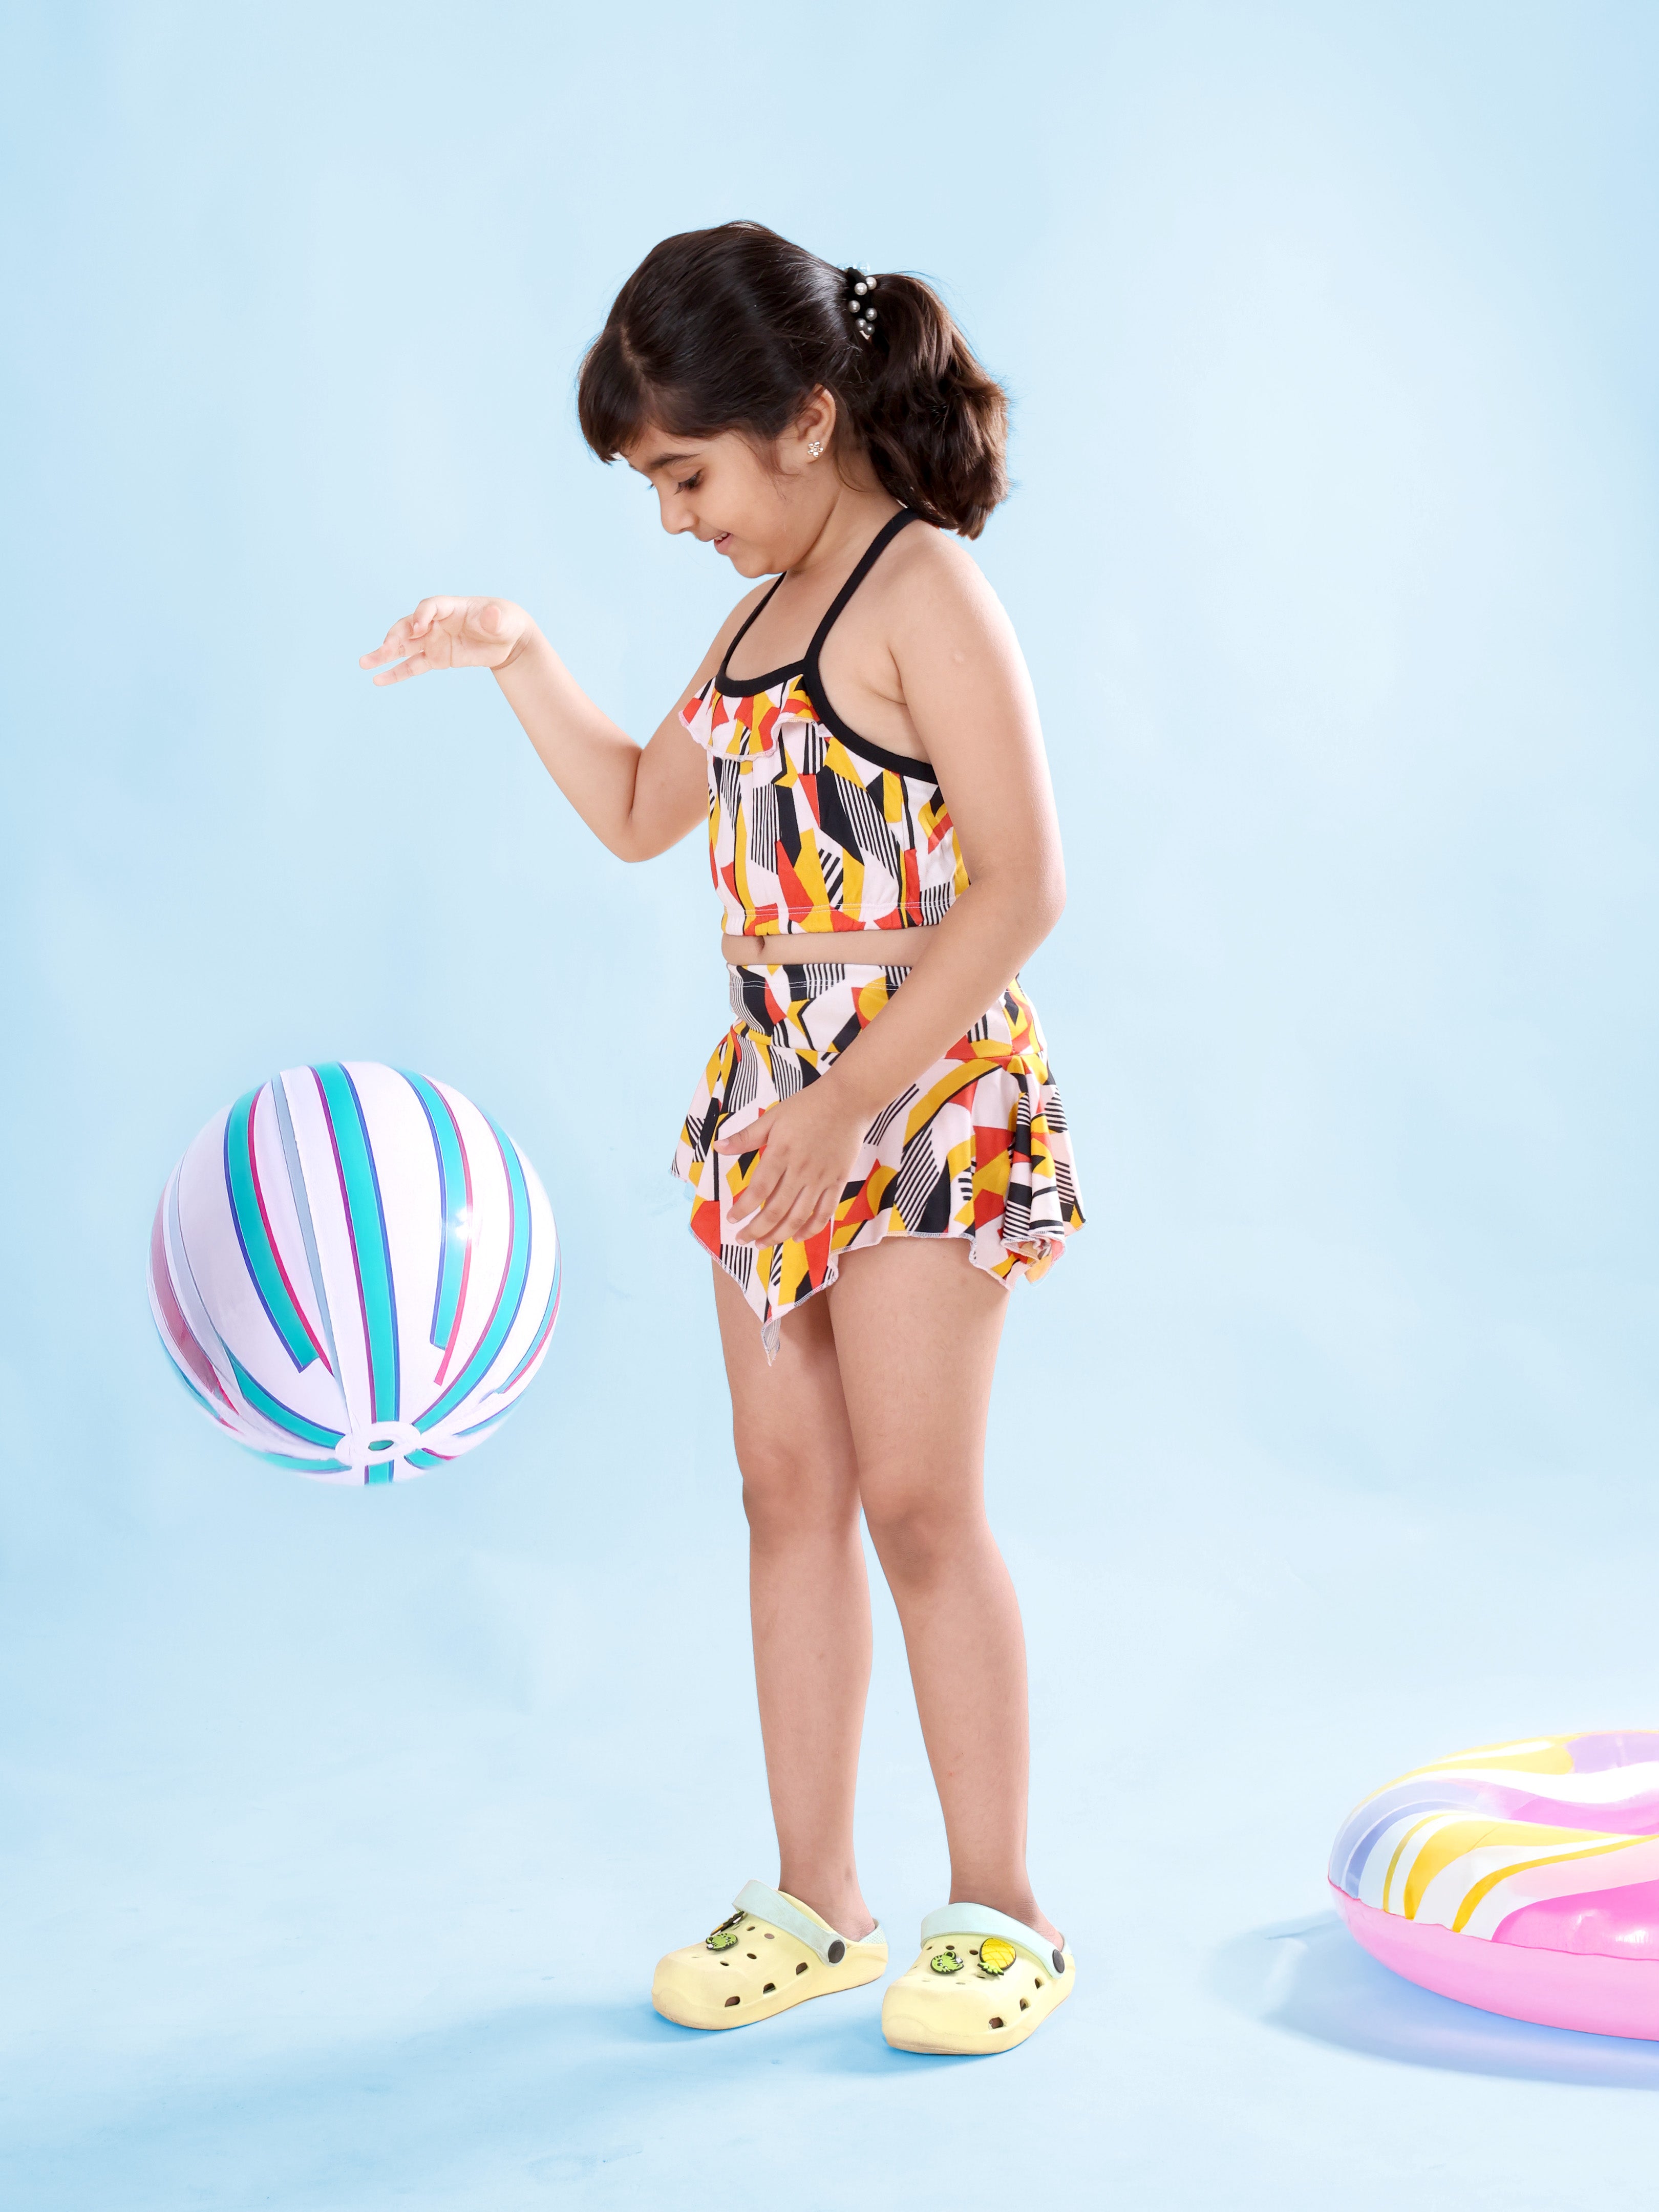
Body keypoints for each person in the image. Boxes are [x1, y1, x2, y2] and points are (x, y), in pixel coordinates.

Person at [360, 222, 1084, 2056]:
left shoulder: (923, 594)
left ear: (807, 420)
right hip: (775, 1097)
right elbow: (635, 806)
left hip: (914, 1097)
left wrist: (852, 1102)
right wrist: (519, 653)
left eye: (688, 476)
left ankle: (1001, 1913)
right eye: (654, 489)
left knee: (920, 1504)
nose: (678, 518)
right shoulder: (755, 625)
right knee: (785, 1496)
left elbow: (1021, 887)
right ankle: (819, 1900)